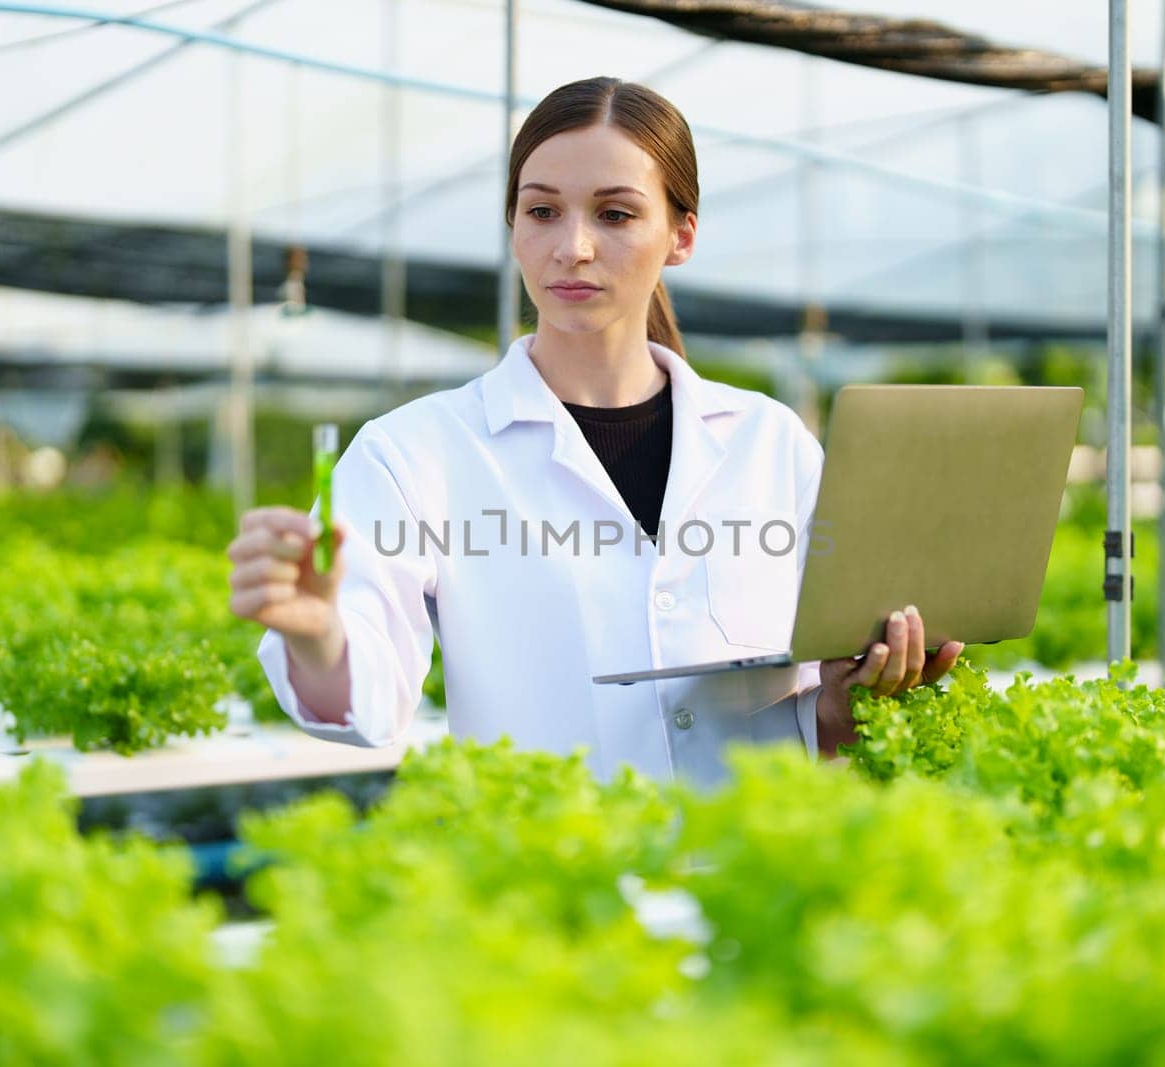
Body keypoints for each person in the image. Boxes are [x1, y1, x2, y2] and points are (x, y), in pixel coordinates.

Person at [227, 76, 962, 787]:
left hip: (753, 882)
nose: (572, 246)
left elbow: (824, 719)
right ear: (513, 228)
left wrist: (855, 693)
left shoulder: (770, 443)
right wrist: (317, 633)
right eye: (542, 211)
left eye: (614, 214)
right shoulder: (412, 456)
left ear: (681, 235)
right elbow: (367, 706)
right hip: (555, 891)